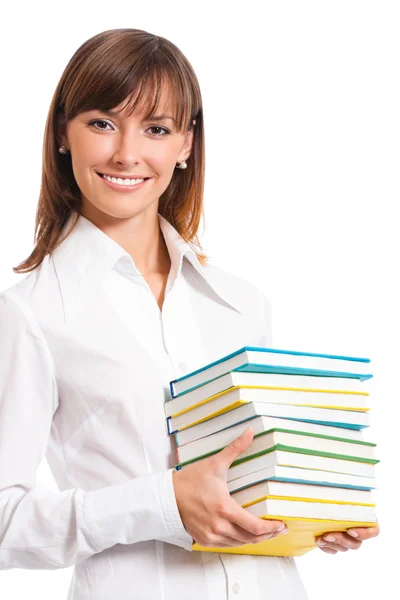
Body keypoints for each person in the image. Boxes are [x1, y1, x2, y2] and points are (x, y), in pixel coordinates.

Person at [0, 28, 378, 600]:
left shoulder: (242, 304)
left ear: (186, 146)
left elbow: (251, 481)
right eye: (102, 122)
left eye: (157, 128)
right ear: (62, 134)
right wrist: (160, 502)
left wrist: (316, 509)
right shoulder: (28, 313)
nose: (128, 152)